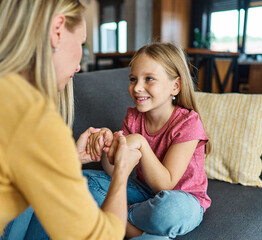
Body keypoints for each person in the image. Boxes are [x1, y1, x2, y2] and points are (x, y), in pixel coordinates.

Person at [0, 1, 141, 240]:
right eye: (82, 43)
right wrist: (122, 172)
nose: (78, 66)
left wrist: (69, 158)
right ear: (57, 30)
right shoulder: (32, 117)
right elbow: (100, 237)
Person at [84, 42, 212, 239]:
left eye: (149, 79)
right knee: (85, 182)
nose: (137, 88)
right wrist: (108, 148)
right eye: (133, 79)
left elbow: (165, 185)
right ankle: (142, 232)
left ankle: (118, 219)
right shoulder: (134, 117)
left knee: (169, 211)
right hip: (143, 192)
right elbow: (115, 172)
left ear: (175, 86)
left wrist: (141, 142)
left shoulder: (188, 123)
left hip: (184, 199)